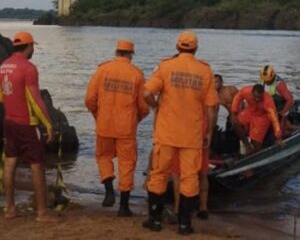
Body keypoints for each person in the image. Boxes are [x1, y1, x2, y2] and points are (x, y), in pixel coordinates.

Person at [142, 30, 218, 235]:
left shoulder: (166, 66)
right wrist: (209, 134)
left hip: (166, 133)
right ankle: (185, 225)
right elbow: (211, 107)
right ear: (196, 48)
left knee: (158, 174)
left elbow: (147, 92)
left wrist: (155, 105)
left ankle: (155, 220)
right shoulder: (205, 71)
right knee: (189, 178)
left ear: (177, 47)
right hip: (192, 136)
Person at [85, 39, 149, 217]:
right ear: (131, 54)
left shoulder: (102, 70)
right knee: (127, 164)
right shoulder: (137, 74)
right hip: (126, 128)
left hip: (104, 125)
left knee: (103, 157)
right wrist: (136, 120)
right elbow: (144, 107)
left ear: (116, 52)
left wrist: (98, 115)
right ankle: (124, 206)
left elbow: (90, 99)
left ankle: (108, 191)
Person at [0, 31, 55, 221]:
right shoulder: (28, 68)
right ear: (29, 46)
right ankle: (42, 213)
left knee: (10, 163)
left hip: (9, 121)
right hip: (27, 123)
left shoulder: (3, 66)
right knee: (37, 166)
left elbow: (1, 96)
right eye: (33, 47)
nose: (34, 50)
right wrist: (48, 124)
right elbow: (35, 99)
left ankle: (10, 209)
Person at [231, 83, 283, 154]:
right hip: (250, 111)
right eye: (255, 96)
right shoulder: (246, 90)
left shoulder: (268, 101)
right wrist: (234, 112)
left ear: (263, 94)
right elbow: (238, 97)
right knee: (235, 122)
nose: (257, 99)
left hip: (262, 116)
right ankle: (247, 145)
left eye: (259, 97)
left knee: (256, 142)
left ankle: (256, 153)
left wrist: (278, 137)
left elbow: (274, 119)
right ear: (252, 92)